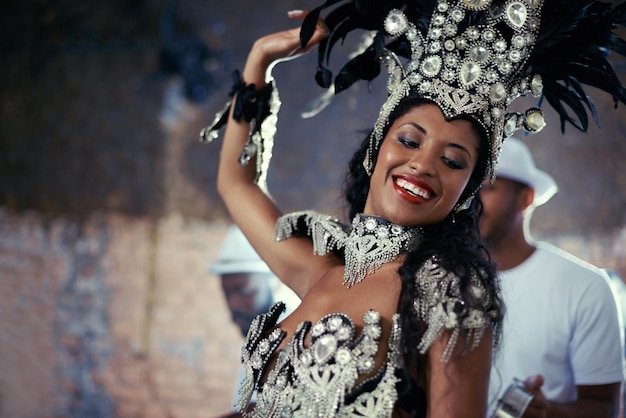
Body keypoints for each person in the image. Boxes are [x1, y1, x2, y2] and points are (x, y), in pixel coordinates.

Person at [202, 1, 626, 416]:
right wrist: (261, 59)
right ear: (376, 148)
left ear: (467, 193)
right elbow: (236, 183)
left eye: (453, 161)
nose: (423, 164)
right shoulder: (321, 265)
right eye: (409, 140)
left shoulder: (450, 300)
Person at [480, 137, 626, 417]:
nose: (472, 202)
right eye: (468, 189)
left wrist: (546, 411)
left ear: (526, 198)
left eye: (488, 188)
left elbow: (605, 406)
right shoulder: (435, 277)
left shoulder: (586, 287)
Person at [210, 225, 300, 413]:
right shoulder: (256, 337)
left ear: (274, 282)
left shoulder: (291, 335)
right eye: (227, 293)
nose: (234, 303)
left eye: (244, 291)